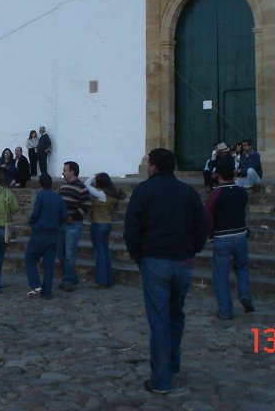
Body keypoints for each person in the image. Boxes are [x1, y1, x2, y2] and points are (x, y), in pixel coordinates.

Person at [124, 147, 207, 397]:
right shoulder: (188, 192)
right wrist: (193, 250)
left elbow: (132, 229)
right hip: (183, 261)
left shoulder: (143, 191)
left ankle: (161, 379)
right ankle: (172, 364)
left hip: (154, 260)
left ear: (154, 166)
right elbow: (201, 226)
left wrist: (138, 257)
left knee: (159, 319)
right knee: (176, 313)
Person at [204, 161, 253, 319]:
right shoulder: (241, 192)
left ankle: (225, 310)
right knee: (242, 268)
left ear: (217, 176)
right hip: (240, 235)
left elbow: (209, 217)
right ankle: (245, 295)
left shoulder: (214, 195)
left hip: (222, 236)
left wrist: (210, 235)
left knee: (220, 274)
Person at [25, 174, 67, 298]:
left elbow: (34, 213)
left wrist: (31, 222)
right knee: (49, 264)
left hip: (39, 232)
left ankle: (35, 284)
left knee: (30, 258)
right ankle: (47, 291)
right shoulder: (59, 198)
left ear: (40, 184)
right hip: (54, 233)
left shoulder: (39, 197)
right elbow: (63, 216)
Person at [85, 172, 126, 289]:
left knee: (100, 253)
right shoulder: (113, 195)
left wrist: (92, 175)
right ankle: (108, 279)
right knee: (105, 252)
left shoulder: (100, 194)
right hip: (108, 223)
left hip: (98, 223)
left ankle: (101, 280)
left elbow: (86, 185)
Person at [57, 160, 91, 291]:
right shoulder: (62, 188)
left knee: (70, 253)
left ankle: (68, 280)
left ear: (72, 171)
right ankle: (71, 276)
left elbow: (87, 205)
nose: (63, 172)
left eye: (65, 170)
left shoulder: (82, 188)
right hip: (61, 225)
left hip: (73, 225)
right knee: (60, 253)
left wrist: (74, 216)